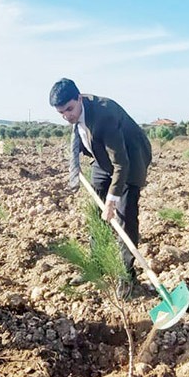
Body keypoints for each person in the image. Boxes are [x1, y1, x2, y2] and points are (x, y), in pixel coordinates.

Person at [49, 78, 152, 296]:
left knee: (125, 218)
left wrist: (112, 201)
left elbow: (121, 163)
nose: (67, 116)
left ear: (79, 98)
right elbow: (82, 136)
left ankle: (126, 275)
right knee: (95, 213)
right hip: (102, 160)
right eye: (61, 113)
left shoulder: (104, 115)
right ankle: (97, 265)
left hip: (130, 162)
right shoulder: (77, 114)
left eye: (69, 109)